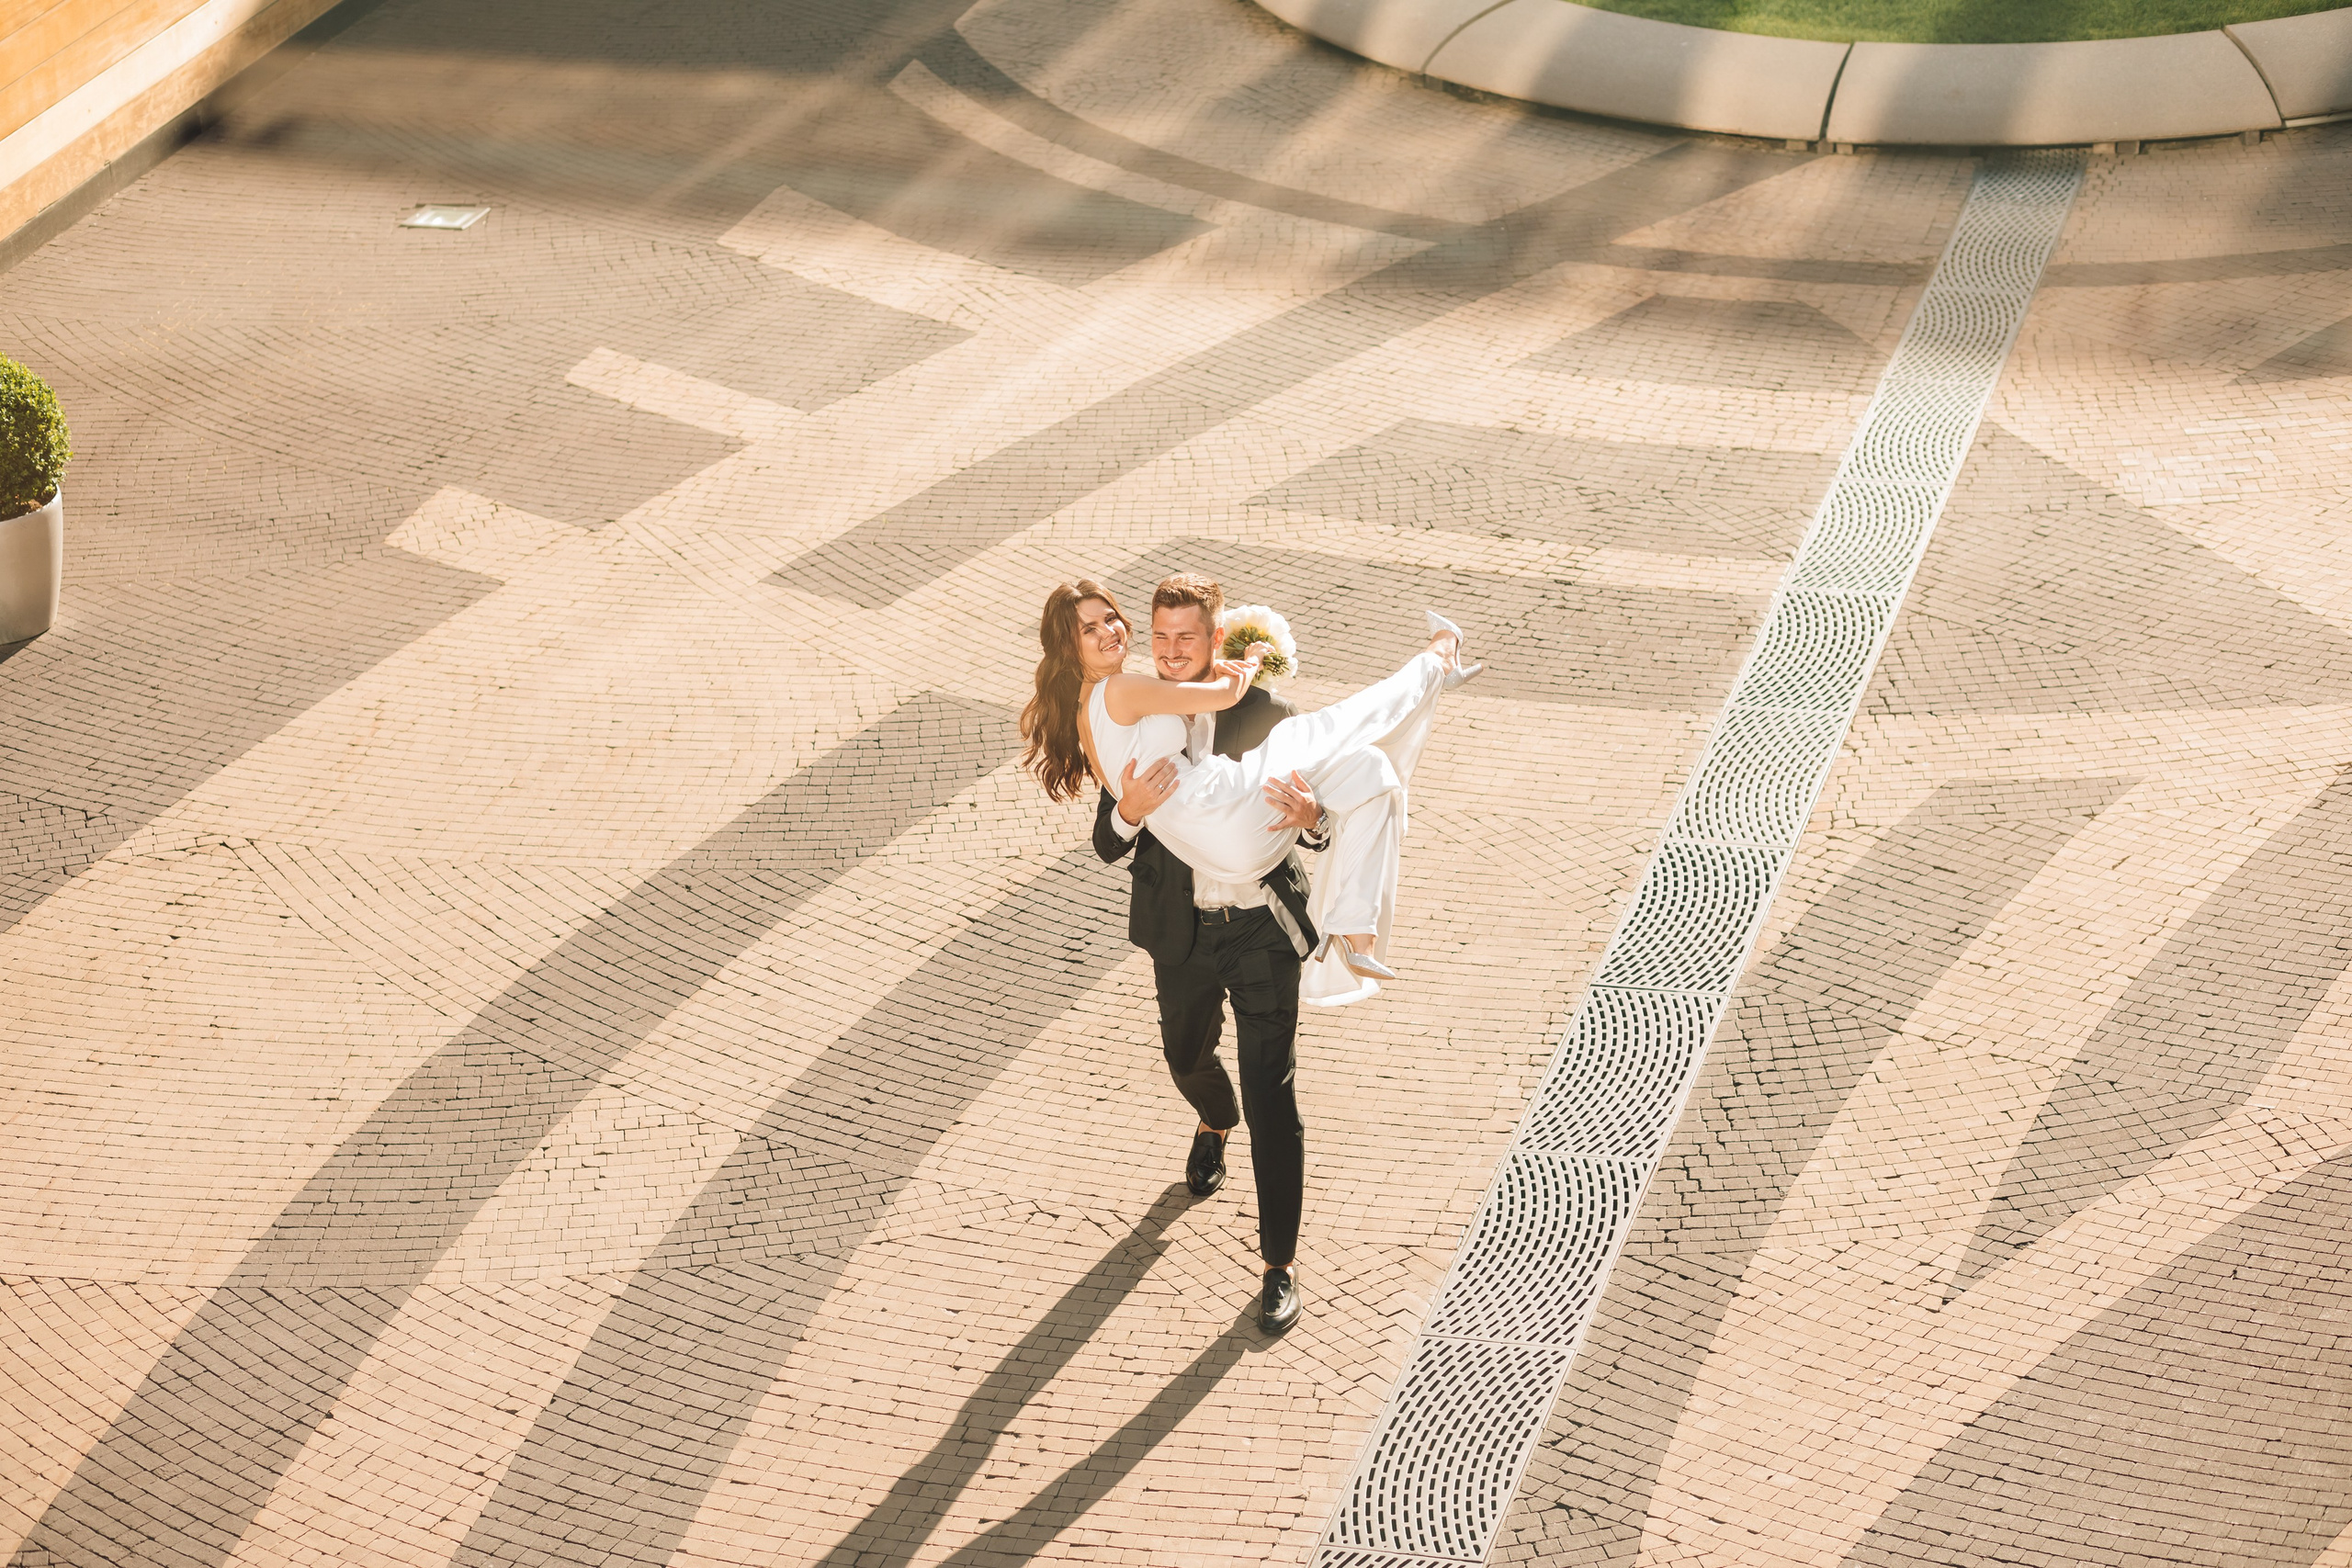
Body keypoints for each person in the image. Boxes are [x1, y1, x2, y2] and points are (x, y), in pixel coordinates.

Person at [1018, 574, 1475, 1330]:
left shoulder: (1261, 713)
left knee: (1277, 1097)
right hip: (1182, 936)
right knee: (1185, 1056)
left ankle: (1278, 1265)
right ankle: (1213, 1117)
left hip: (1260, 927)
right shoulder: (1132, 701)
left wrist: (1314, 818)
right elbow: (1107, 839)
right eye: (1156, 636)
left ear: (1213, 635)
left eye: (1181, 638)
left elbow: (1310, 812)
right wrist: (1127, 811)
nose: (1162, 648)